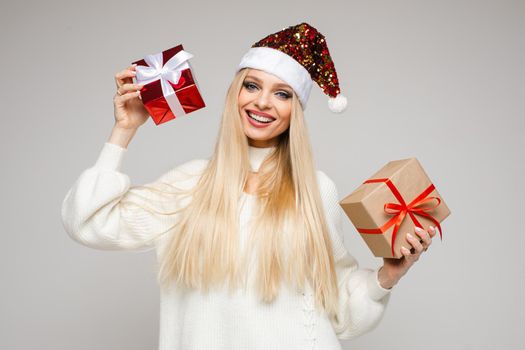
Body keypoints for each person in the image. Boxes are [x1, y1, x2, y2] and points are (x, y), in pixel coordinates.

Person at [61, 22, 437, 350]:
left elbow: (339, 312)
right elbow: (89, 223)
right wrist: (123, 131)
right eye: (252, 85)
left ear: (296, 111)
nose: (262, 102)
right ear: (235, 95)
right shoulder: (191, 183)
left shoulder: (315, 190)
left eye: (282, 93)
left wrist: (387, 276)